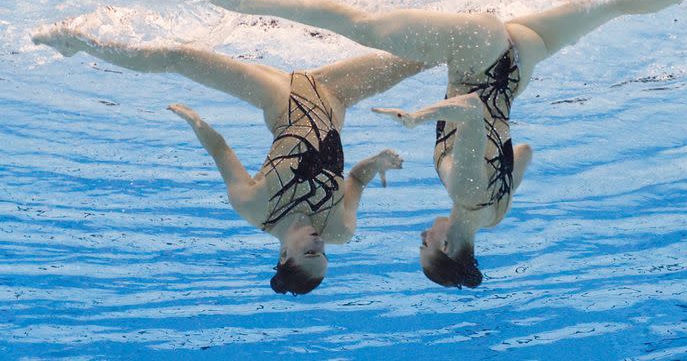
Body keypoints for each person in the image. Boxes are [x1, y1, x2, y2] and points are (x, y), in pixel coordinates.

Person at [206, 0, 687, 288]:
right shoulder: (463, 189)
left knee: (615, 4)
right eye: (427, 243)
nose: (423, 233)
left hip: (518, 66)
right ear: (448, 246)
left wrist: (495, 142)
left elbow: (522, 154)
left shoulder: (495, 212)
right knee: (369, 26)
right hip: (478, 63)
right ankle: (252, 0)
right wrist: (423, 116)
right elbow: (473, 114)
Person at [32, 17, 428, 295]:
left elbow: (222, 150)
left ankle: (77, 44)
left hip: (282, 97)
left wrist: (196, 123)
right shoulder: (339, 229)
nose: (320, 245)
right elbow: (355, 180)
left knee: (178, 57)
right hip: (335, 94)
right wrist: (378, 162)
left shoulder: (254, 206)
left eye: (310, 253)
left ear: (284, 255)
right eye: (323, 254)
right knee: (420, 56)